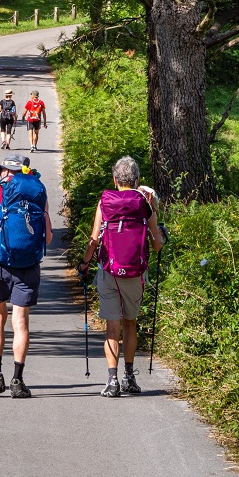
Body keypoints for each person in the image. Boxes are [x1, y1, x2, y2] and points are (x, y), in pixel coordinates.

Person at [77, 155, 164, 398]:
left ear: (115, 180)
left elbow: (94, 240)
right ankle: (129, 376)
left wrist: (84, 264)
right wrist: (162, 235)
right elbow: (157, 245)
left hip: (109, 270)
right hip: (136, 273)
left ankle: (112, 381)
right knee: (130, 322)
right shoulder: (144, 202)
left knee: (111, 326)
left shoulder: (105, 201)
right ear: (137, 180)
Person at [0, 153, 53, 398]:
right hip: (28, 264)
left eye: (2, 171)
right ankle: (17, 381)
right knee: (21, 322)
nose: (1, 174)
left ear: (7, 172)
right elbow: (48, 237)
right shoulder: (39, 192)